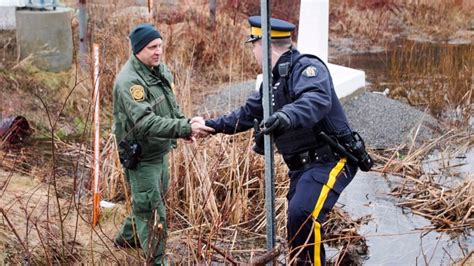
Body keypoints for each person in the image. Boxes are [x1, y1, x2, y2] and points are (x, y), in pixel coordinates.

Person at [205, 16, 361, 265]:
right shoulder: (272, 80)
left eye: (253, 45)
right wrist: (209, 126)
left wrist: (286, 116)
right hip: (301, 167)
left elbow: (316, 100)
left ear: (263, 46)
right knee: (296, 224)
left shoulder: (307, 68)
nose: (253, 52)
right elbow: (246, 115)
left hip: (331, 159)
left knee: (304, 214)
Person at [112, 23, 214, 265]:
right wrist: (184, 128)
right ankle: (156, 262)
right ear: (138, 49)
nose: (158, 51)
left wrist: (183, 125)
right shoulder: (130, 82)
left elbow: (170, 105)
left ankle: (126, 239)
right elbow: (145, 122)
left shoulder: (157, 69)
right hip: (141, 157)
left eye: (160, 46)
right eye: (151, 47)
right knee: (153, 212)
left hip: (159, 152)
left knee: (147, 201)